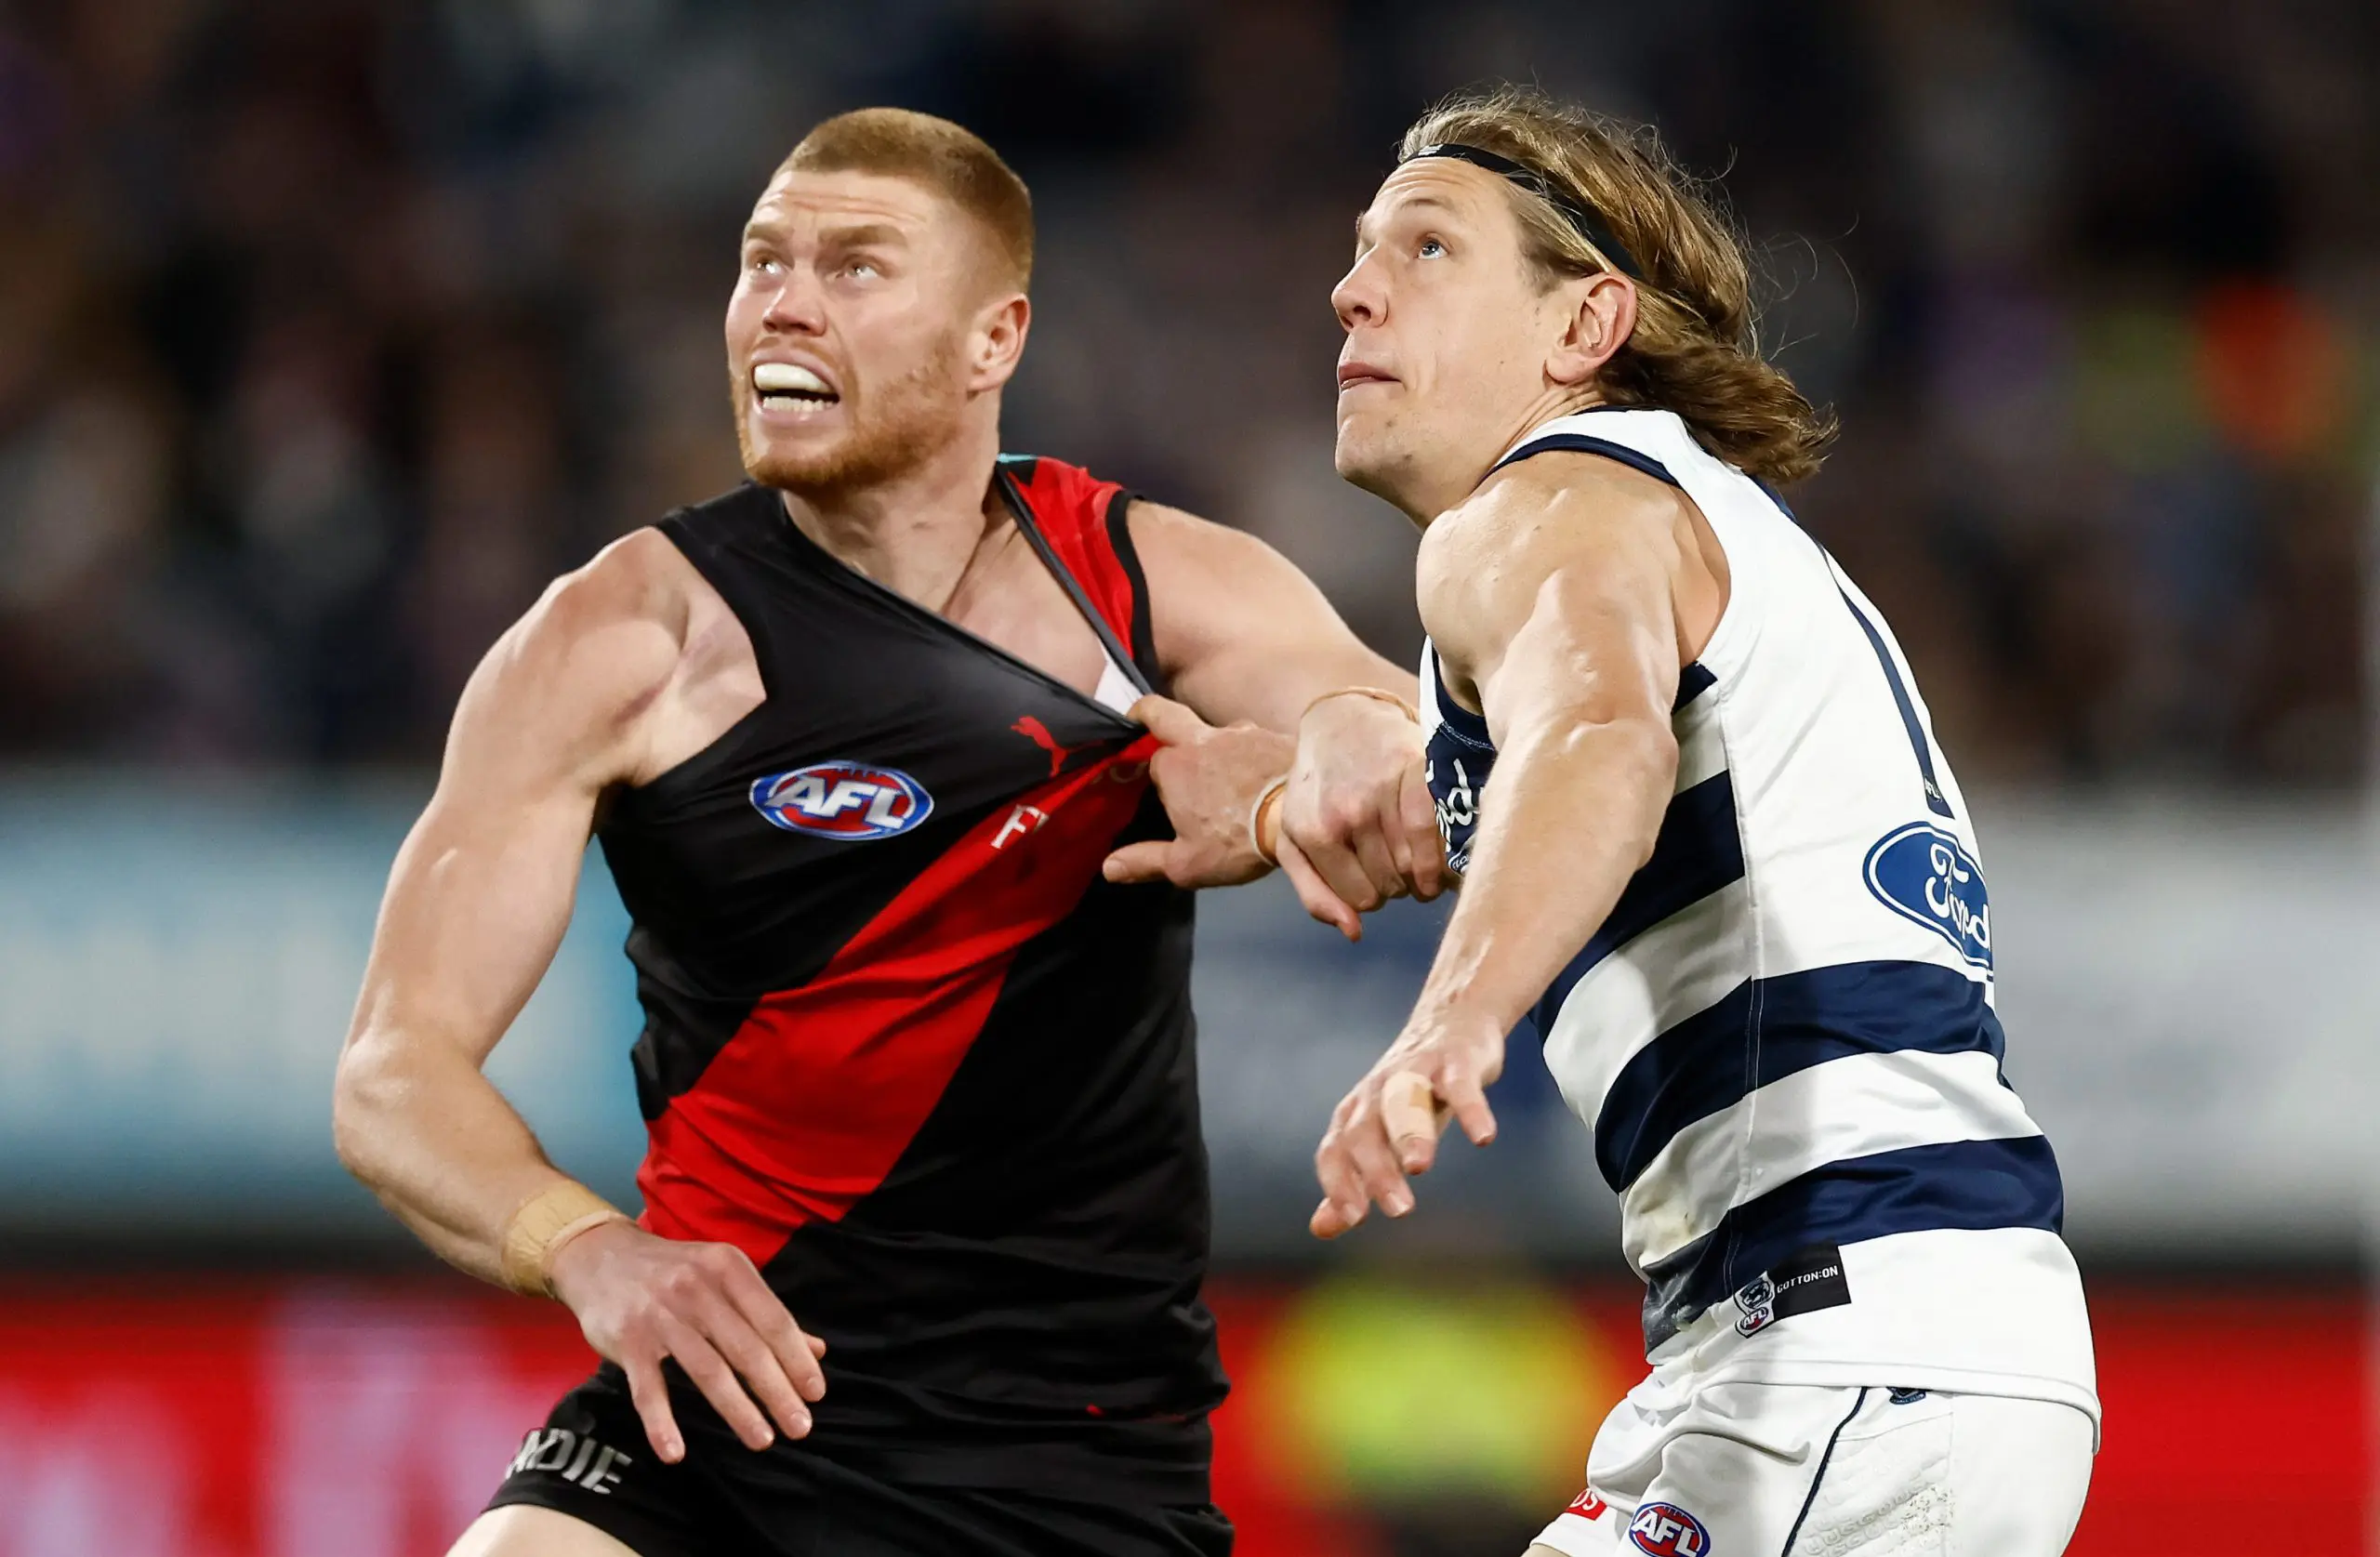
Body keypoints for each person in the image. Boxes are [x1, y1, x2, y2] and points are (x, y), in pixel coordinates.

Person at [331, 107, 1442, 1557]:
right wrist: (592, 1250)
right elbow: (392, 1075)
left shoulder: (1145, 586)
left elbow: (1407, 748)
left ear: (995, 341)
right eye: (763, 261)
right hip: (719, 1421)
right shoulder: (621, 639)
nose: (784, 301)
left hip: (1072, 1462)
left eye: (855, 266)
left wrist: (1319, 770)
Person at [1292, 86, 2099, 1555]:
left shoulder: (1549, 502)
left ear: (1583, 325)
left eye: (1425, 247)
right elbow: (1542, 746)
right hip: (1886, 1345)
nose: (1352, 286)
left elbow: (1598, 741)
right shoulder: (1679, 522)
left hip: (1835, 1347)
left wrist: (1450, 1021)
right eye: (1361, 248)